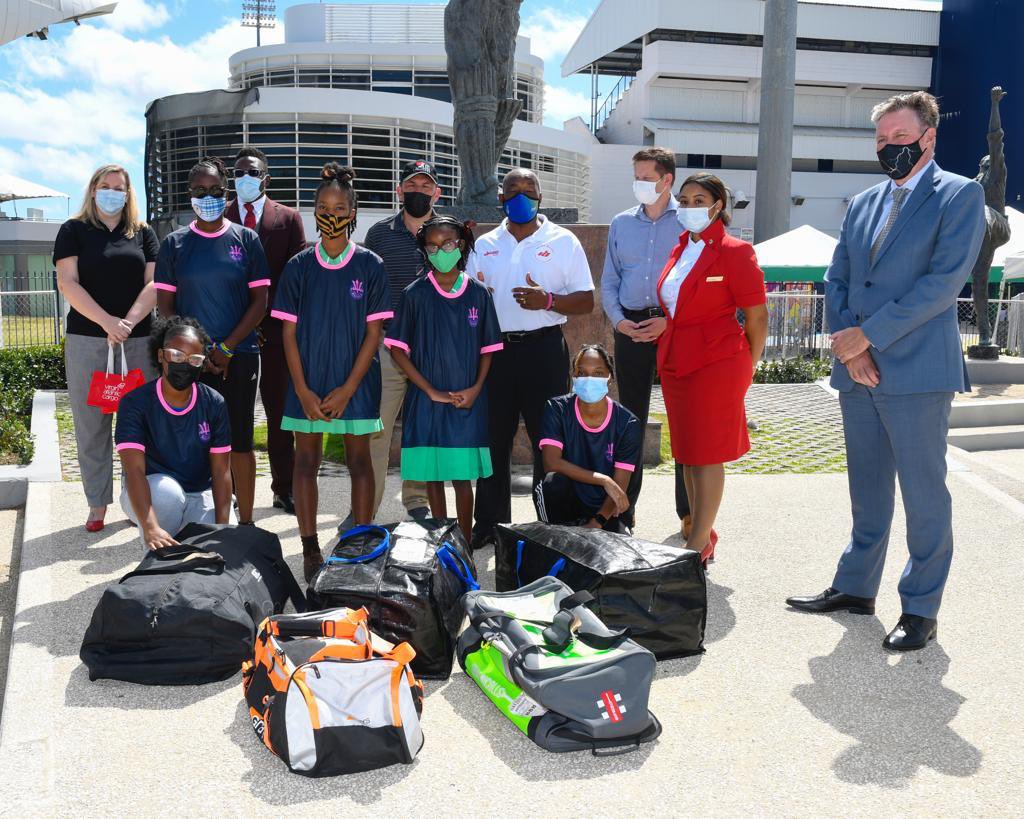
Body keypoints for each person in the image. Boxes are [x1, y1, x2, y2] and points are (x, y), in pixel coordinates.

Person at [786, 91, 987, 652]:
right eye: (881, 140)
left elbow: (943, 286)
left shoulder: (960, 195)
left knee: (924, 495)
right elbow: (840, 278)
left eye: (899, 138)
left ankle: (920, 608)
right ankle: (855, 588)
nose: (888, 148)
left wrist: (866, 336)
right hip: (859, 371)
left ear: (928, 137)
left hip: (919, 372)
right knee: (866, 490)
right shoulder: (865, 201)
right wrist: (852, 348)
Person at [272, 164, 391, 581]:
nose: (331, 214)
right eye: (323, 206)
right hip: (308, 380)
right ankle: (309, 548)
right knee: (305, 461)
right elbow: (288, 333)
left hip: (354, 382)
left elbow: (374, 333)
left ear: (354, 212)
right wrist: (303, 390)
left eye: (340, 207)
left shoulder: (370, 265)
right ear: (313, 211)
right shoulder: (299, 266)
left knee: (361, 461)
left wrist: (348, 388)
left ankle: (358, 545)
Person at [467, 167, 595, 550]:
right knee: (494, 440)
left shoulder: (564, 240)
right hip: (496, 352)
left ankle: (549, 522)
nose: (522, 196)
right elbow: (469, 297)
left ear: (540, 197)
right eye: (514, 190)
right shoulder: (484, 243)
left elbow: (586, 300)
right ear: (501, 198)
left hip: (544, 349)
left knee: (548, 440)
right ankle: (489, 522)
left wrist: (549, 301)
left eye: (530, 190)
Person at [656, 173, 768, 567]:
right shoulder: (681, 247)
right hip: (677, 360)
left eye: (698, 200)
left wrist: (746, 369)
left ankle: (698, 543)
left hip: (717, 362)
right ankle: (695, 528)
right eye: (683, 200)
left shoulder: (735, 252)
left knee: (707, 454)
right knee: (688, 452)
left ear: (718, 205)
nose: (688, 207)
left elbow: (757, 318)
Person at [155, 156, 270, 526]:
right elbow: (166, 309)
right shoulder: (173, 245)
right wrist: (198, 353)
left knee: (239, 441)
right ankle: (202, 517)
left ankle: (247, 523)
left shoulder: (247, 239)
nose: (208, 197)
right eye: (200, 191)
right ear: (189, 194)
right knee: (198, 441)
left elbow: (259, 303)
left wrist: (225, 348)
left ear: (226, 192)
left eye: (216, 190)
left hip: (241, 355)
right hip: (191, 363)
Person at [54, 164, 159, 533]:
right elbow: (68, 283)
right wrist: (106, 322)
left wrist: (127, 321)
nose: (112, 191)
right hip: (89, 341)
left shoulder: (143, 233)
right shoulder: (73, 230)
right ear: (93, 189)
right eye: (105, 185)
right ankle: (97, 503)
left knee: (140, 424)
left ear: (129, 193)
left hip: (138, 342)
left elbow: (154, 283)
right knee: (92, 425)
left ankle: (143, 501)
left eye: (120, 187)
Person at [384, 215, 503, 540]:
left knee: (463, 480)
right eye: (432, 245)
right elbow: (397, 350)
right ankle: (443, 543)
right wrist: (429, 391)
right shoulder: (415, 294)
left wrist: (477, 388)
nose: (440, 250)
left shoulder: (479, 294)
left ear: (461, 245)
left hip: (468, 402)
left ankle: (464, 547)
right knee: (433, 476)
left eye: (447, 244)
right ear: (424, 250)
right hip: (427, 402)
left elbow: (488, 348)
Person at [602, 147, 691, 535]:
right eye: (635, 177)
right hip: (631, 329)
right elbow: (609, 280)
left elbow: (696, 281)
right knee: (630, 421)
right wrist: (620, 322)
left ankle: (688, 513)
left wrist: (669, 322)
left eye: (645, 177)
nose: (638, 184)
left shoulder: (689, 222)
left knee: (684, 419)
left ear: (666, 179)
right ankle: (625, 507)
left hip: (678, 328)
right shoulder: (621, 223)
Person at [352, 159, 442, 526]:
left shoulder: (448, 233)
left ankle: (417, 500)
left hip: (430, 349)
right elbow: (366, 291)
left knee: (421, 429)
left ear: (436, 192)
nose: (418, 192)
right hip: (389, 346)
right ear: (399, 190)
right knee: (377, 431)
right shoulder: (378, 234)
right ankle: (364, 507)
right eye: (412, 186)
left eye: (426, 186)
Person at [226, 146, 307, 515]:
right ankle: (227, 486)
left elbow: (295, 276)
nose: (245, 179)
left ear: (266, 179)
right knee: (231, 415)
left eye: (252, 173)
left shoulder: (288, 219)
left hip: (275, 334)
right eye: (239, 173)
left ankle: (283, 488)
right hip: (231, 334)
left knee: (279, 415)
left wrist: (266, 316)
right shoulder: (219, 215)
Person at [115, 316, 235, 550]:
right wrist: (150, 527)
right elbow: (134, 470)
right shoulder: (135, 403)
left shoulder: (214, 403)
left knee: (217, 548)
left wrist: (222, 530)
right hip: (152, 493)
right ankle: (154, 558)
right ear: (161, 356)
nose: (185, 363)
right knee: (167, 495)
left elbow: (221, 471)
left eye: (195, 359)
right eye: (176, 355)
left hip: (200, 493)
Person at [536, 345, 640, 533]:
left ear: (610, 379)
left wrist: (597, 522)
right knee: (553, 482)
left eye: (598, 373)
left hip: (606, 510)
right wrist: (603, 480)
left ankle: (616, 524)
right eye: (582, 372)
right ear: (574, 377)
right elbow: (551, 463)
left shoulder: (627, 422)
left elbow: (619, 485)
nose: (588, 379)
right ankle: (556, 531)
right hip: (569, 502)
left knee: (616, 556)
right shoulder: (557, 408)